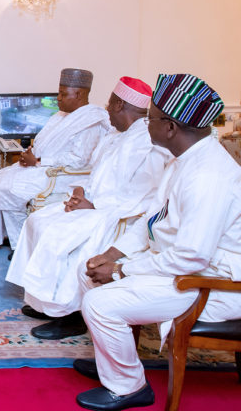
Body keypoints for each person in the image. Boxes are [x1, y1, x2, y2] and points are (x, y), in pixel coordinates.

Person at [71, 74, 241, 410]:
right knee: (87, 270)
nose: (144, 124)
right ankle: (114, 360)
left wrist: (121, 271)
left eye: (149, 117)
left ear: (170, 127)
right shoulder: (184, 160)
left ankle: (129, 387)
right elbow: (153, 220)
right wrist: (110, 254)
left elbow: (191, 258)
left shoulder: (208, 175)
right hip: (182, 267)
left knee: (99, 304)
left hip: (213, 283)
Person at [5, 77, 169, 340]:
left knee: (58, 234)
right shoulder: (115, 135)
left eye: (109, 103)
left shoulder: (147, 141)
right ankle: (48, 304)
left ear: (119, 105)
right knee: (37, 221)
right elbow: (96, 175)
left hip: (117, 215)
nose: (105, 109)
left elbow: (144, 195)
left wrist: (93, 205)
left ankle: (71, 316)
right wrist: (80, 192)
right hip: (93, 204)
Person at [0, 68, 111, 252]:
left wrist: (38, 160)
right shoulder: (60, 115)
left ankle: (22, 246)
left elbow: (79, 160)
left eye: (63, 94)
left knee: (8, 188)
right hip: (42, 167)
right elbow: (43, 143)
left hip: (63, 176)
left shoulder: (91, 121)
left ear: (78, 94)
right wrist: (29, 155)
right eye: (59, 93)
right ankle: (14, 238)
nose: (58, 98)